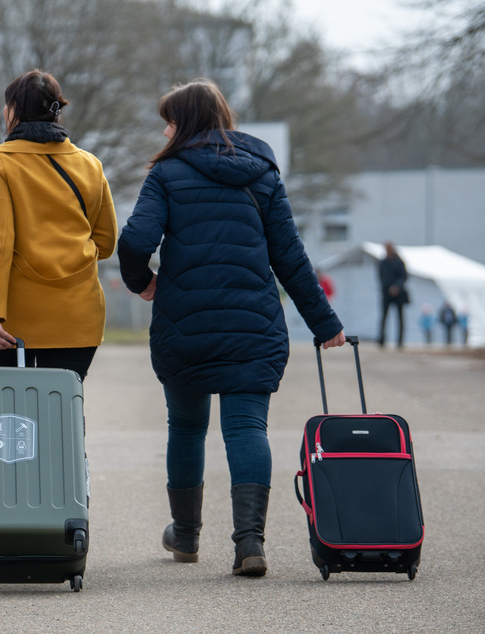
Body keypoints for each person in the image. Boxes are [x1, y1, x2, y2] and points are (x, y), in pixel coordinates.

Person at [117, 79, 344, 578]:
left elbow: (134, 240)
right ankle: (249, 543)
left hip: (185, 324)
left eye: (170, 120)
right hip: (251, 323)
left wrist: (143, 282)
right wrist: (325, 324)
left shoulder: (168, 174)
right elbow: (291, 257)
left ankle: (187, 537)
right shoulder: (262, 174)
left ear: (186, 122)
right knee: (246, 427)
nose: (166, 130)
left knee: (187, 427)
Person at [0, 69, 118, 381]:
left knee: (12, 419)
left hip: (12, 320)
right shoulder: (90, 164)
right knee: (62, 416)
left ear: (12, 111)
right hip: (78, 314)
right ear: (57, 112)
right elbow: (106, 242)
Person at [378, 241, 408, 348]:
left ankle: (400, 341)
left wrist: (396, 286)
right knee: (384, 316)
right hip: (386, 293)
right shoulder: (383, 262)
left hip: (398, 294)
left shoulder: (399, 262)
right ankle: (381, 339)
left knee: (400, 317)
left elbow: (403, 276)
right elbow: (380, 276)